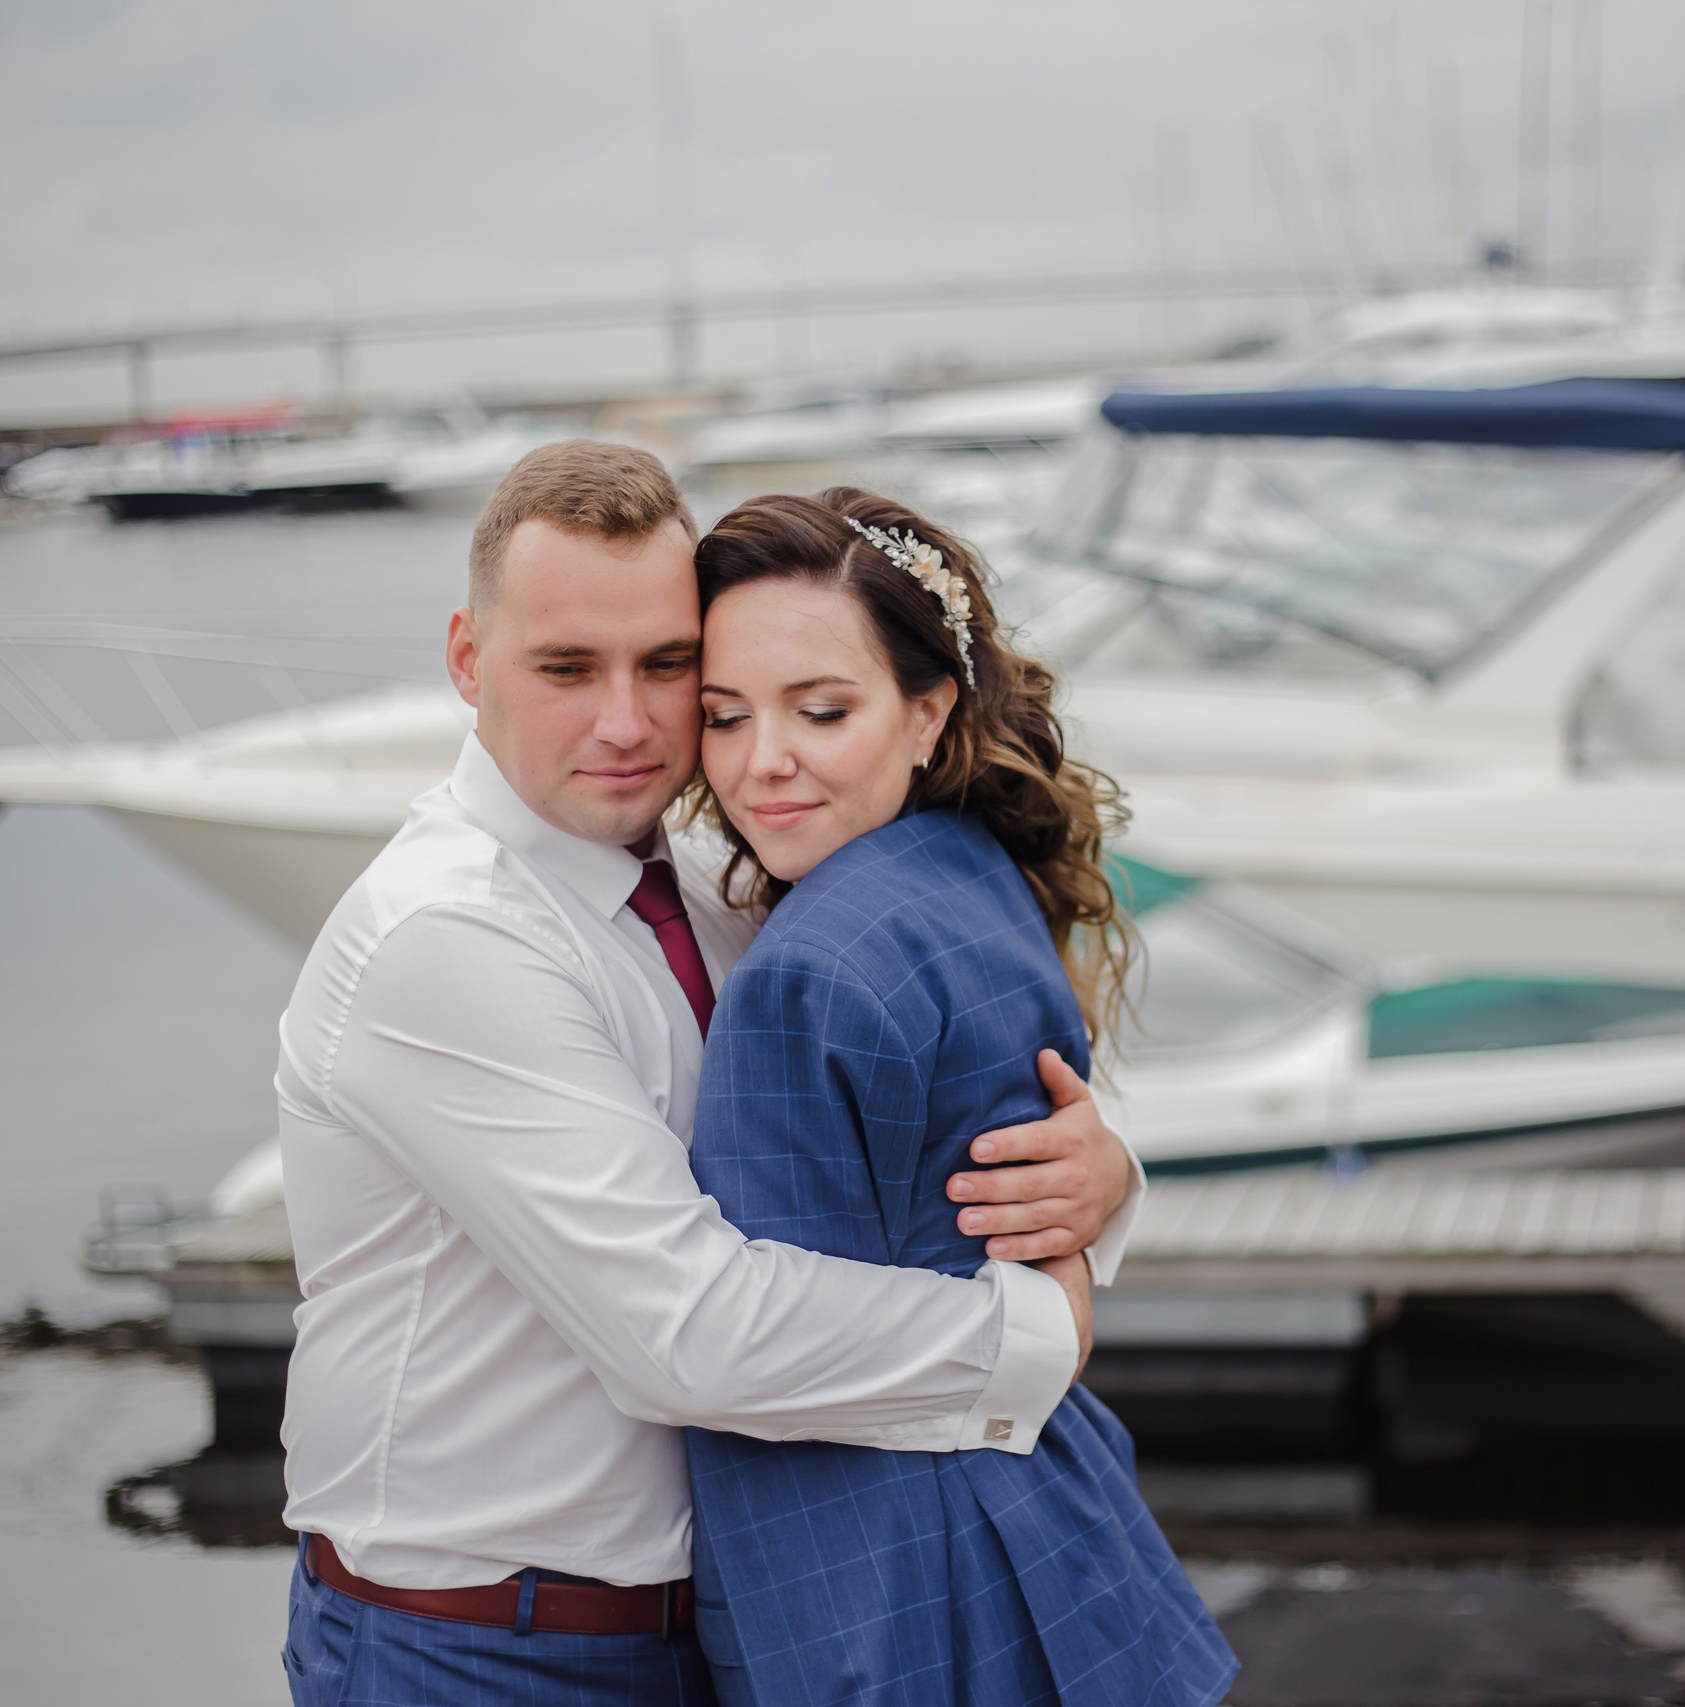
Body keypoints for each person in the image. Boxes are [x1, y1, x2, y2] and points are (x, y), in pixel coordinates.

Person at [275, 441, 1143, 1706]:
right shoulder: (445, 935)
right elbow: (683, 1335)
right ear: (470, 661)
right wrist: (1034, 1330)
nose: (628, 721)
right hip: (476, 1649)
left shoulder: (716, 886)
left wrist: (1099, 1177)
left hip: (710, 1633)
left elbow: (910, 1140)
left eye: (669, 668)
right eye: (567, 668)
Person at [681, 488, 1239, 1707]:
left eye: (820, 710)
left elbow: (767, 1357)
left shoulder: (803, 972)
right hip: (1045, 1518)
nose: (760, 760)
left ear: (929, 709)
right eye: (723, 717)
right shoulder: (966, 866)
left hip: (887, 1588)